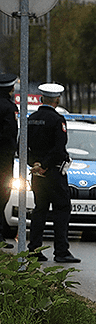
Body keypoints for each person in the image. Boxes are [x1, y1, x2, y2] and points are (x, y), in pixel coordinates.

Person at [27, 83, 79, 263]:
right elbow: (59, 148)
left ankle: (34, 250)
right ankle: (61, 251)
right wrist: (45, 165)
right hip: (54, 174)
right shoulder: (58, 120)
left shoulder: (31, 118)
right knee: (62, 210)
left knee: (39, 210)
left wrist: (34, 164)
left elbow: (23, 144)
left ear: (42, 99)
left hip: (37, 174)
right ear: (57, 100)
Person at [0, 73, 18, 249]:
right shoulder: (8, 108)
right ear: (11, 89)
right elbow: (10, 134)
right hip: (3, 158)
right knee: (3, 194)